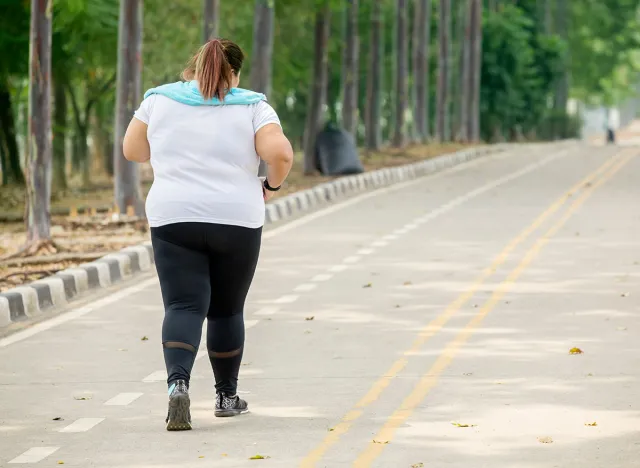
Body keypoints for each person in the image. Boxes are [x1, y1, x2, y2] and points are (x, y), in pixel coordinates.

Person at [122, 38, 294, 431]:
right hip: (236, 218)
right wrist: (271, 186)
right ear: (233, 74)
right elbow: (281, 155)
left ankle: (177, 386)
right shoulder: (252, 106)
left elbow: (133, 150)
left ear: (194, 68)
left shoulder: (158, 100)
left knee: (182, 307)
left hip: (173, 215)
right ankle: (226, 397)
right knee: (226, 309)